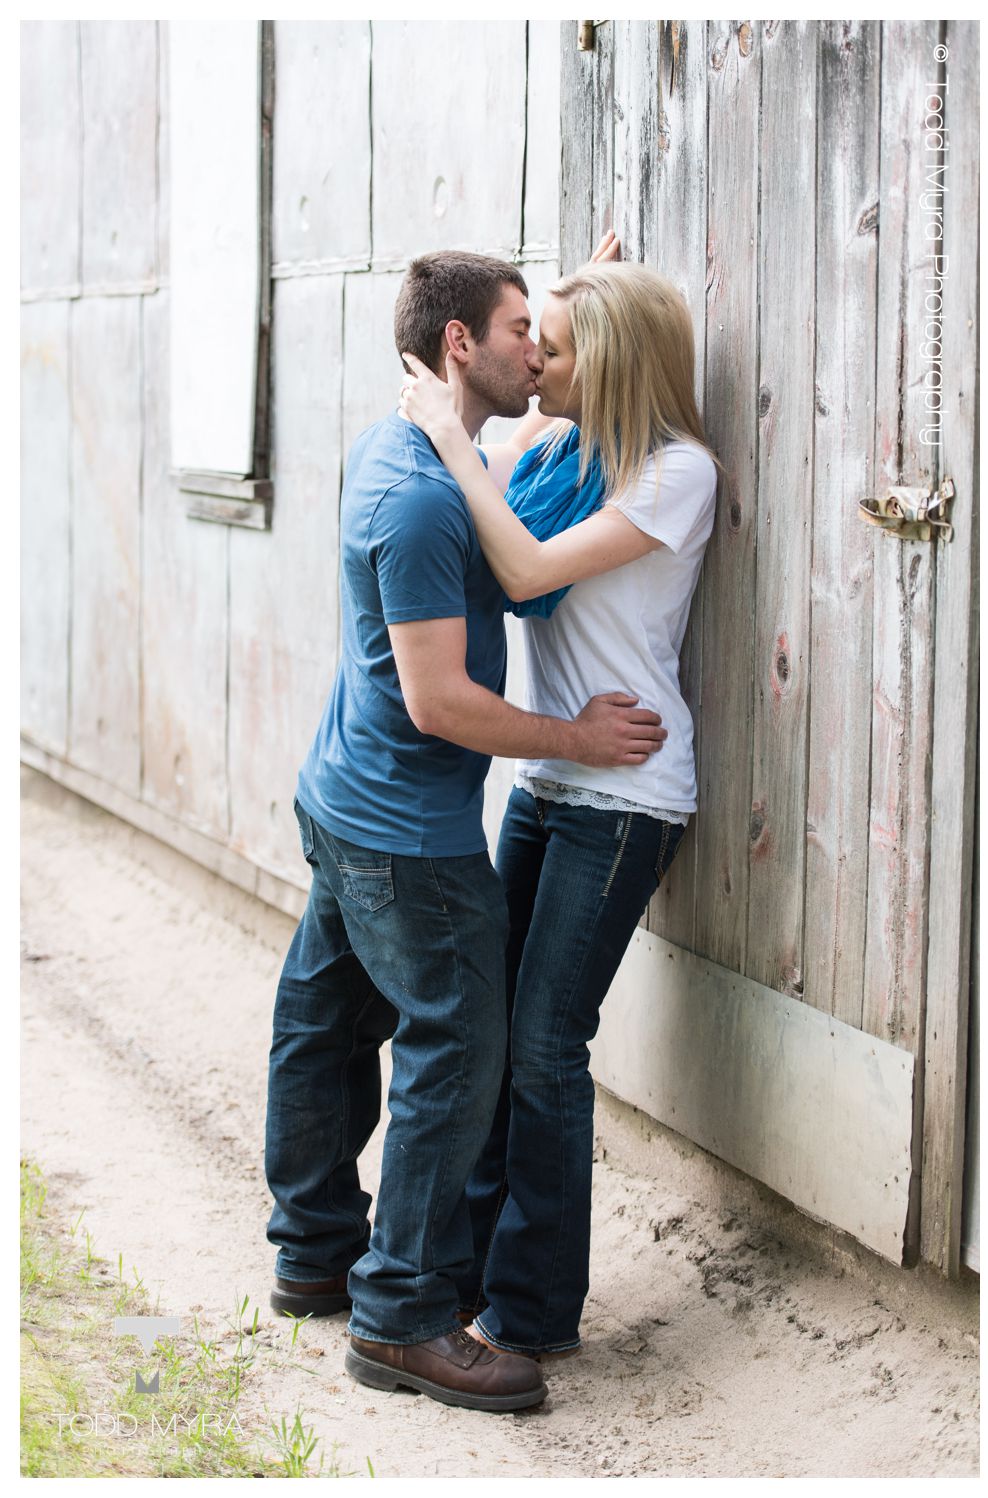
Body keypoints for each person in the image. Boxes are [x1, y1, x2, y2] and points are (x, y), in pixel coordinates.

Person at [263, 248, 668, 1414]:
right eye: (518, 330)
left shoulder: (406, 448)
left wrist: (573, 283)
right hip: (408, 831)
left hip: (342, 792)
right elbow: (440, 701)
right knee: (457, 1050)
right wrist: (575, 737)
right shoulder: (431, 496)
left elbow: (495, 418)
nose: (536, 350)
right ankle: (403, 1316)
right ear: (458, 349)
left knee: (325, 1015)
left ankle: (315, 1251)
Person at [397, 244, 722, 1359]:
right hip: (547, 780)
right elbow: (516, 482)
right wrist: (573, 283)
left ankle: (531, 1314)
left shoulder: (674, 474)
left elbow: (527, 571)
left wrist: (451, 438)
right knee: (496, 1034)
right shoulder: (574, 450)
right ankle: (469, 1273)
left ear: (614, 364)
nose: (533, 359)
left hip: (626, 793)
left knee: (544, 1045)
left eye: (557, 347)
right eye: (532, 336)